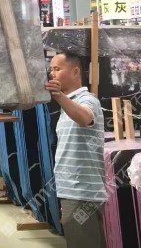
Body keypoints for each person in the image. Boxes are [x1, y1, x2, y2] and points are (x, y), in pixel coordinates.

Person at [45, 51, 107, 248]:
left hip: (82, 191)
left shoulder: (87, 100)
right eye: (51, 69)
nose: (52, 74)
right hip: (72, 191)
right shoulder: (68, 106)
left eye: (57, 69)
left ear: (75, 71)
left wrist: (59, 96)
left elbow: (85, 117)